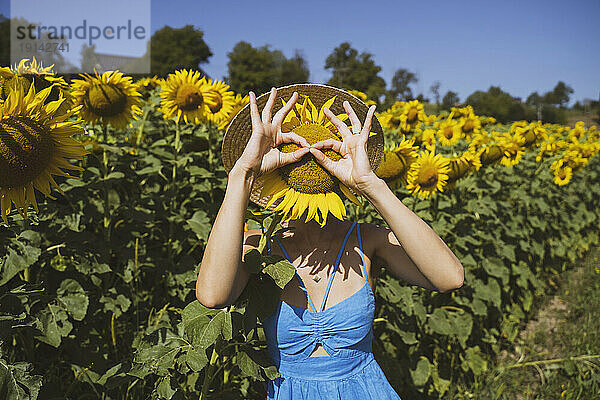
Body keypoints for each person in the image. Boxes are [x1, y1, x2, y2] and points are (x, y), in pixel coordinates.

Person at [196, 85, 465, 399]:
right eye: (295, 151)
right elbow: (212, 295)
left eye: (323, 153)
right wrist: (243, 173)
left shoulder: (366, 240)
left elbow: (450, 277)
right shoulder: (261, 246)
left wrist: (370, 185)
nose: (311, 159)